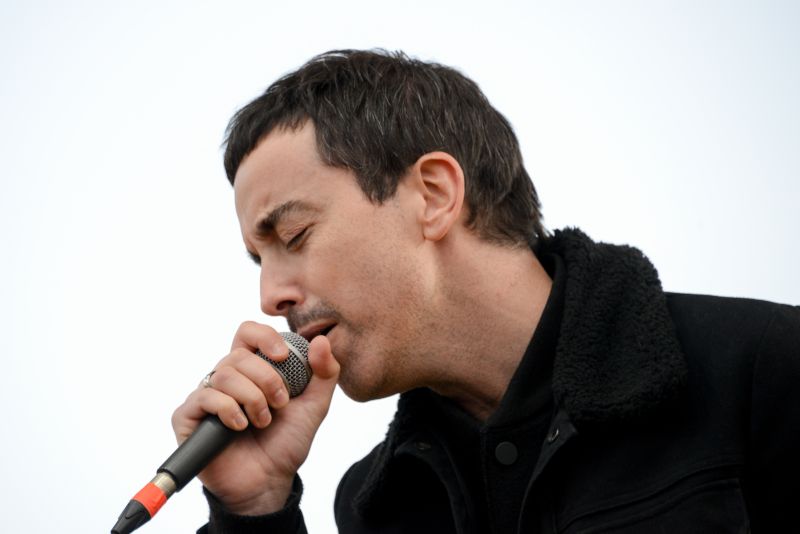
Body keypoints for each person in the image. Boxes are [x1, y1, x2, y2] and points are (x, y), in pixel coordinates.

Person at [171, 49, 800, 533]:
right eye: (259, 259)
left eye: (295, 234)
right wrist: (254, 510)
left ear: (434, 196)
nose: (270, 296)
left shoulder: (763, 366)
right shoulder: (374, 505)